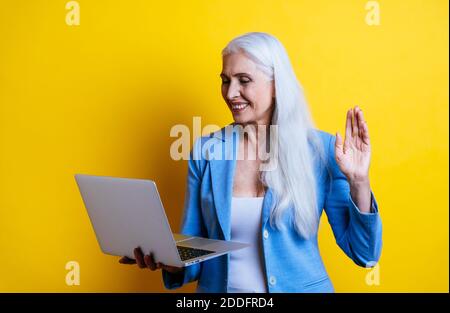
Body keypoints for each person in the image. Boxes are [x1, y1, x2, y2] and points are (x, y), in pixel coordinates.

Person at [119, 32, 382, 293]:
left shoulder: (321, 151)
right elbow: (194, 252)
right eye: (225, 80)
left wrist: (359, 182)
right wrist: (167, 259)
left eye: (244, 80)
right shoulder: (206, 151)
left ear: (277, 85)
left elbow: (365, 253)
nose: (231, 93)